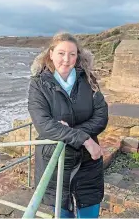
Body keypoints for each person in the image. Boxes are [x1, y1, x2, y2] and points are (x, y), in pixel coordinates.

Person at [28, 32, 108, 218]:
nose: (67, 59)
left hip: (88, 162)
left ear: (78, 56)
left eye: (72, 54)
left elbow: (101, 116)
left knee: (89, 212)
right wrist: (85, 138)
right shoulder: (39, 84)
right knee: (62, 213)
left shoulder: (89, 79)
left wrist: (69, 132)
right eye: (61, 53)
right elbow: (43, 124)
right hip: (55, 162)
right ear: (51, 54)